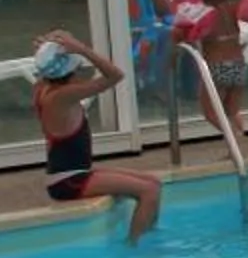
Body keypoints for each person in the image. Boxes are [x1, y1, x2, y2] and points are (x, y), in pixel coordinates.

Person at [31, 32, 159, 243]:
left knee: (154, 182)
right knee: (149, 191)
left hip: (73, 173)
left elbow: (46, 69)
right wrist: (82, 49)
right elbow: (115, 76)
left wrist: (45, 51)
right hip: (68, 181)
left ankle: (149, 236)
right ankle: (134, 248)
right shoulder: (63, 96)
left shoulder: (43, 89)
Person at [175, 0, 248, 147]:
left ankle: (234, 139)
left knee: (210, 113)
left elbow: (179, 34)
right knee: (232, 111)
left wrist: (175, 53)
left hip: (216, 67)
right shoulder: (233, 7)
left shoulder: (203, 12)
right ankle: (239, 146)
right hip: (239, 66)